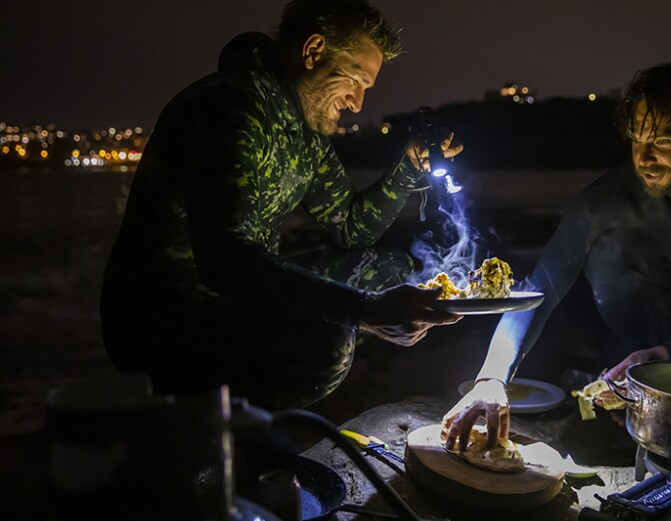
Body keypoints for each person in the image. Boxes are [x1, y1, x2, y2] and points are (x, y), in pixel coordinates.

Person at [100, 0, 463, 409]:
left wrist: (409, 167)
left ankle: (250, 410)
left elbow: (352, 229)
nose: (358, 103)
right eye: (355, 81)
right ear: (312, 52)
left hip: (236, 296)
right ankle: (232, 430)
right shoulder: (231, 107)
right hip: (166, 319)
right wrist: (362, 311)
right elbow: (226, 259)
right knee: (327, 343)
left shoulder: (303, 133)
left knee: (390, 271)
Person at [443, 62, 671, 450]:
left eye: (662, 140)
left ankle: (651, 380)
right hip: (659, 326)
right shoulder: (605, 198)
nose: (644, 158)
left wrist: (668, 356)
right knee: (610, 258)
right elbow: (539, 288)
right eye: (635, 140)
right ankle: (632, 383)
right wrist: (491, 378)